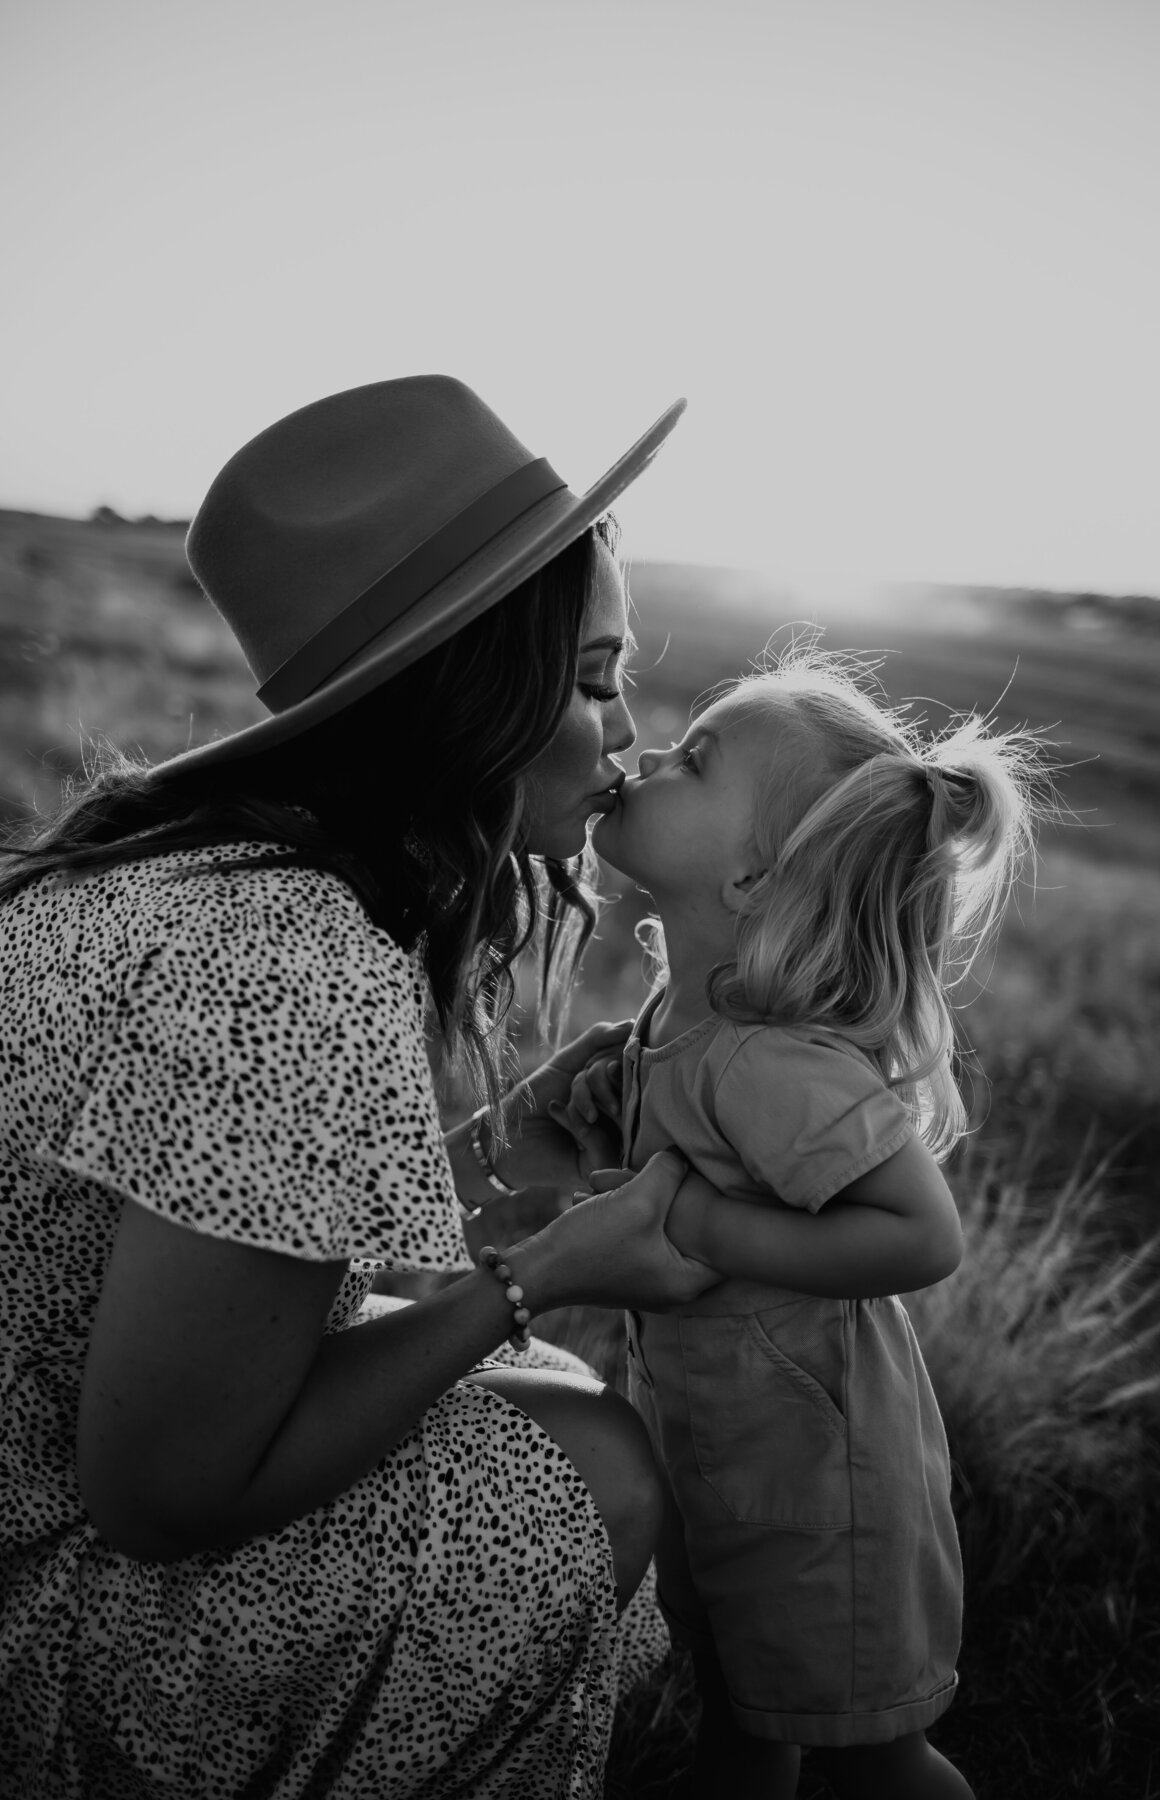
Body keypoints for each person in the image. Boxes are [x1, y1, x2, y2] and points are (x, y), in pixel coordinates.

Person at [0, 376, 721, 1800]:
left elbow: (223, 1247)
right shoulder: (296, 962)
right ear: (472, 693)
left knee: (538, 1388)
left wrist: (500, 1152)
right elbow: (163, 1497)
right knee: (593, 1458)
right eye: (590, 679)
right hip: (36, 1602)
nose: (627, 727)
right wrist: (527, 1277)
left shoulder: (197, 875)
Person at [560, 644, 1046, 1799]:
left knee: (876, 1761)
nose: (650, 757)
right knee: (744, 1710)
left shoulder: (769, 1063)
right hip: (728, 1454)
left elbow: (924, 1237)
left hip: (823, 1488)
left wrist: (713, 1231)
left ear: (749, 880)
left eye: (695, 761)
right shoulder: (685, 1015)